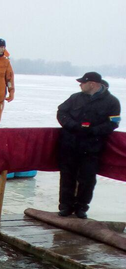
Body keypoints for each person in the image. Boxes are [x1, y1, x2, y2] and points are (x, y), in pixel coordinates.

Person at [56, 72, 121, 219]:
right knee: (67, 177)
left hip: (92, 147)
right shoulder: (75, 98)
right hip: (69, 145)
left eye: (82, 83)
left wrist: (94, 131)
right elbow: (61, 112)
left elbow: (113, 122)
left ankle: (81, 208)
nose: (80, 85)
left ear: (92, 84)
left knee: (87, 179)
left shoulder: (112, 102)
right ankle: (65, 206)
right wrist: (72, 126)